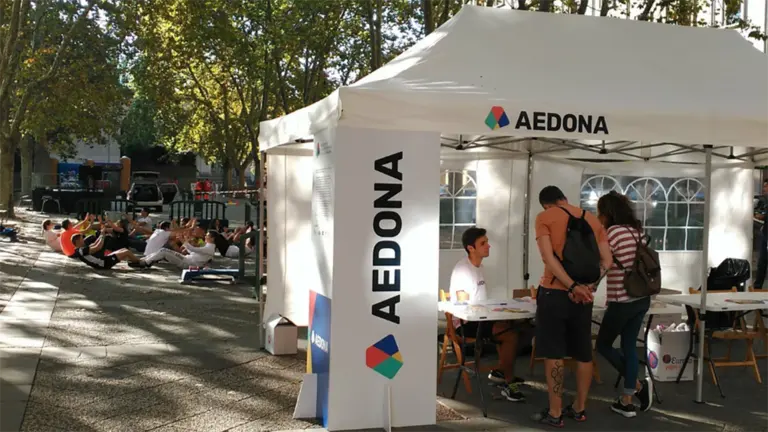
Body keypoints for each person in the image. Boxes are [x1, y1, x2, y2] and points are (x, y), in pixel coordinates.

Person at [532, 186, 612, 427]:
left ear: (546, 204)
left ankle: (555, 412)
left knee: (554, 353)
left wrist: (571, 286)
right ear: (564, 198)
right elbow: (607, 261)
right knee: (583, 352)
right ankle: (579, 408)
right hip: (584, 296)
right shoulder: (591, 219)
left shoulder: (545, 217)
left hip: (554, 293)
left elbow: (548, 258)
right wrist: (588, 287)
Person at [448, 227, 525, 402]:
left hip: (480, 319)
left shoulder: (479, 267)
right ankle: (508, 382)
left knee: (519, 328)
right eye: (483, 243)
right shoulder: (463, 269)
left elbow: (480, 302)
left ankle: (502, 372)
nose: (488, 246)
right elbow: (464, 307)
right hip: (466, 324)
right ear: (471, 248)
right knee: (510, 335)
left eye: (487, 242)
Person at [594, 192, 653, 417]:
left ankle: (637, 386)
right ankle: (627, 400)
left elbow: (604, 264)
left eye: (600, 213)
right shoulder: (637, 232)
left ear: (607, 213)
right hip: (642, 297)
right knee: (629, 347)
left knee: (603, 345)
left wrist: (590, 286)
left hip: (621, 299)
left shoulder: (612, 233)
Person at [141, 230, 217, 269]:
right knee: (163, 250)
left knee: (164, 251)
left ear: (212, 238)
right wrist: (185, 241)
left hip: (187, 263)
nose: (205, 236)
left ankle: (146, 262)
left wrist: (182, 240)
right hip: (186, 259)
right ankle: (145, 260)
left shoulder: (209, 248)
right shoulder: (208, 246)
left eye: (207, 236)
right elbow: (192, 251)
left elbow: (193, 249)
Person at [71, 230, 144, 270]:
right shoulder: (81, 251)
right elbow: (98, 247)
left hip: (103, 261)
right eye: (82, 239)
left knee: (123, 249)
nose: (83, 240)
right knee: (126, 252)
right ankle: (141, 262)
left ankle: (136, 262)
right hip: (103, 264)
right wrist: (103, 236)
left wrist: (101, 235)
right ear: (77, 241)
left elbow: (94, 244)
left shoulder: (81, 249)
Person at [754, 180, 768, 288]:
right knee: (762, 262)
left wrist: (761, 217)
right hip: (765, 233)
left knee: (763, 261)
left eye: (766, 186)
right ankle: (757, 286)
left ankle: (757, 286)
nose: (764, 189)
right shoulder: (765, 201)